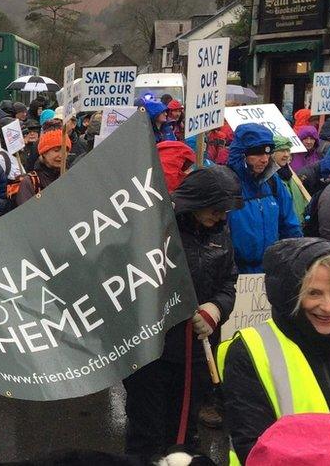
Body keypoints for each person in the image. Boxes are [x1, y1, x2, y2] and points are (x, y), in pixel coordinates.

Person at [220, 238, 330, 465]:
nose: (329, 306)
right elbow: (252, 446)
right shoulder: (249, 349)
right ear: (288, 294)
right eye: (314, 293)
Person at [123, 166, 239, 463]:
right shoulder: (153, 225)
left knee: (182, 437)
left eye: (225, 211)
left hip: (195, 354)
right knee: (146, 437)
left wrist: (216, 309)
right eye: (215, 210)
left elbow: (228, 281)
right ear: (195, 203)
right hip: (150, 353)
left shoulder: (221, 230)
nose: (222, 217)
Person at [226, 123, 303, 273]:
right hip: (234, 272)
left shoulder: (273, 182)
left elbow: (289, 224)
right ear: (242, 154)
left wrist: (294, 257)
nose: (265, 159)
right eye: (258, 154)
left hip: (270, 270)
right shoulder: (226, 184)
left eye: (267, 153)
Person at [13, 130, 70, 206]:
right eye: (56, 151)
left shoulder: (70, 177)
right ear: (44, 153)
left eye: (64, 151)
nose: (61, 155)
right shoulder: (31, 182)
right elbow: (27, 213)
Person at [271, 136, 310, 224]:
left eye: (288, 150)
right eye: (282, 151)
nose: (286, 154)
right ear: (272, 154)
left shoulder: (291, 174)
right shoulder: (269, 179)